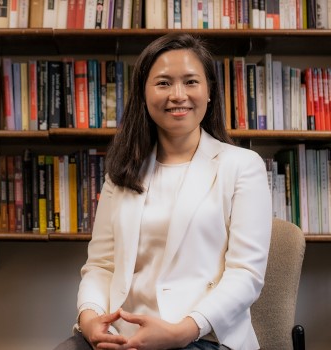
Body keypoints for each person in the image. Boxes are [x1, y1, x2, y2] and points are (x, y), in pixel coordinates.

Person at [53, 33, 272, 350]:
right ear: (143, 93)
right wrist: (90, 317)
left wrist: (183, 330)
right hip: (121, 333)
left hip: (203, 335)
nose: (178, 95)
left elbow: (246, 274)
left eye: (191, 82)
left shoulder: (242, 166)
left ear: (209, 91)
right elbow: (101, 265)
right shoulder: (123, 171)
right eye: (164, 83)